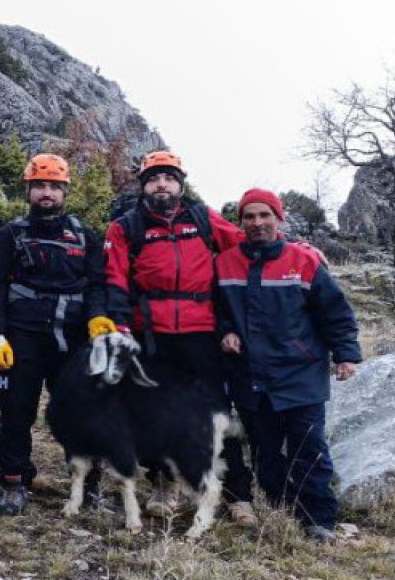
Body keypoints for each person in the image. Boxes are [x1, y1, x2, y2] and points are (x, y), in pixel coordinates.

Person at [103, 150, 258, 527]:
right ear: (143, 185)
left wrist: (295, 249)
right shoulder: (125, 227)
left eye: (169, 178)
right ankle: (164, 484)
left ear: (180, 184)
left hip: (202, 333)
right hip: (150, 335)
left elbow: (247, 243)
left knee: (217, 413)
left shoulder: (204, 219)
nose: (161, 184)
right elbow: (115, 280)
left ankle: (239, 496)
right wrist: (120, 329)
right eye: (154, 178)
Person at [215, 188, 360, 543]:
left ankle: (319, 519)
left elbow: (336, 312)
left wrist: (345, 354)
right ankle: (282, 507)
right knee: (265, 450)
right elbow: (215, 309)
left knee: (308, 446)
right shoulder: (225, 263)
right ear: (241, 223)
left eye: (265, 215)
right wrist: (226, 330)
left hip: (301, 373)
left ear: (279, 219)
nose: (257, 223)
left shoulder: (305, 261)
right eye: (249, 217)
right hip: (250, 375)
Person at [0, 154, 109, 516]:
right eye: (40, 186)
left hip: (73, 340)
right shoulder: (9, 235)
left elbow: (99, 284)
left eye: (54, 186)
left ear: (65, 190)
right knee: (16, 412)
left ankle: (87, 486)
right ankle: (14, 483)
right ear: (29, 190)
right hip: (22, 339)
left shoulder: (85, 236)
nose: (46, 193)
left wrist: (98, 319)